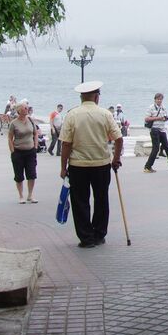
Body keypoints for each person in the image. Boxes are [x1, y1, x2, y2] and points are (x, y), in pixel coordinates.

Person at [59, 80, 123, 249]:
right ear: (96, 97)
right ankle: (99, 234)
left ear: (82, 97)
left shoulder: (72, 115)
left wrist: (62, 166)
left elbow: (65, 143)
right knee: (101, 199)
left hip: (78, 165)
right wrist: (116, 159)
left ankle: (86, 237)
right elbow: (119, 138)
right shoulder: (105, 114)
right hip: (101, 163)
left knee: (80, 201)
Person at [7, 100, 41, 203]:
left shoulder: (30, 120)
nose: (27, 109)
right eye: (25, 108)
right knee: (19, 175)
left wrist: (35, 146)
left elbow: (35, 133)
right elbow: (10, 138)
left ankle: (30, 195)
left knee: (32, 173)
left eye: (27, 108)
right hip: (18, 152)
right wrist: (12, 151)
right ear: (19, 110)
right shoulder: (14, 123)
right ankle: (21, 196)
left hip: (30, 152)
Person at [143, 93, 168, 172]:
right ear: (155, 99)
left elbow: (165, 116)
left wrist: (165, 118)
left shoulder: (163, 108)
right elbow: (146, 119)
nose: (159, 101)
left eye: (161, 99)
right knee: (156, 148)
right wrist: (158, 118)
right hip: (154, 129)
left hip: (162, 129)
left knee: (167, 147)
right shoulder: (151, 107)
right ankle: (148, 166)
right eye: (158, 99)